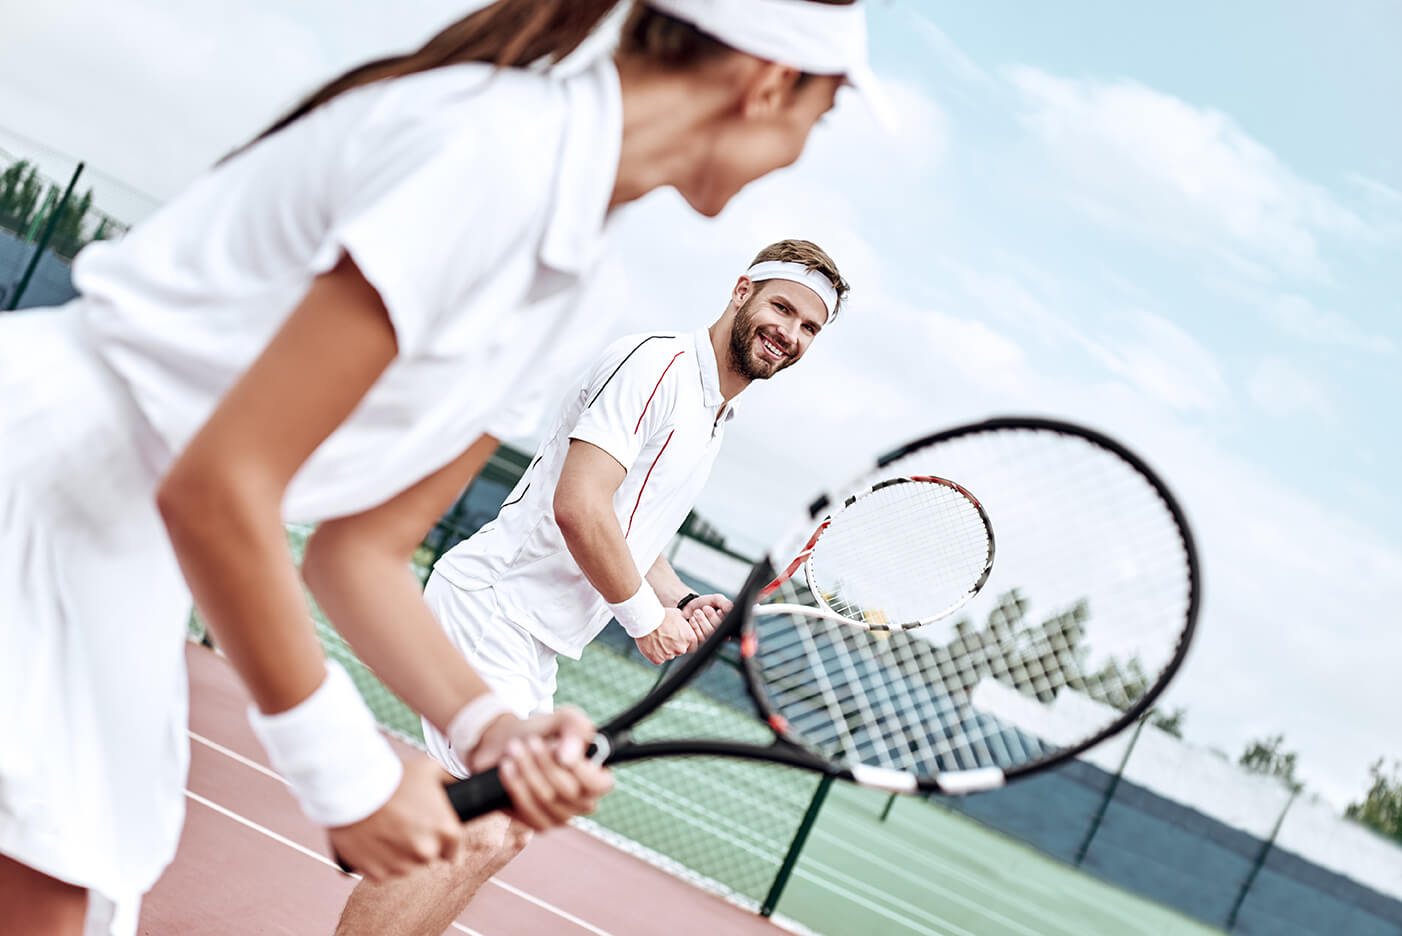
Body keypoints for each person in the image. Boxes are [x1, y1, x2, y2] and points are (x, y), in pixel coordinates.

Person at [0, 1, 886, 934]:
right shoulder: (498, 156)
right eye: (819, 120)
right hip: (48, 483)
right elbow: (218, 485)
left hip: (105, 522)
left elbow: (357, 553)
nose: (798, 154)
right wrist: (346, 776)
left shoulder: (576, 279)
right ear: (768, 84)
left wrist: (490, 732)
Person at [334, 238, 848, 936]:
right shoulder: (659, 364)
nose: (790, 333)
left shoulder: (715, 413)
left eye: (810, 327)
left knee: (502, 829)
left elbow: (640, 532)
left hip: (533, 635)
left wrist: (680, 600)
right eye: (783, 307)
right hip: (494, 605)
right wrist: (643, 619)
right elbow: (580, 503)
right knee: (479, 824)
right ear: (741, 291)